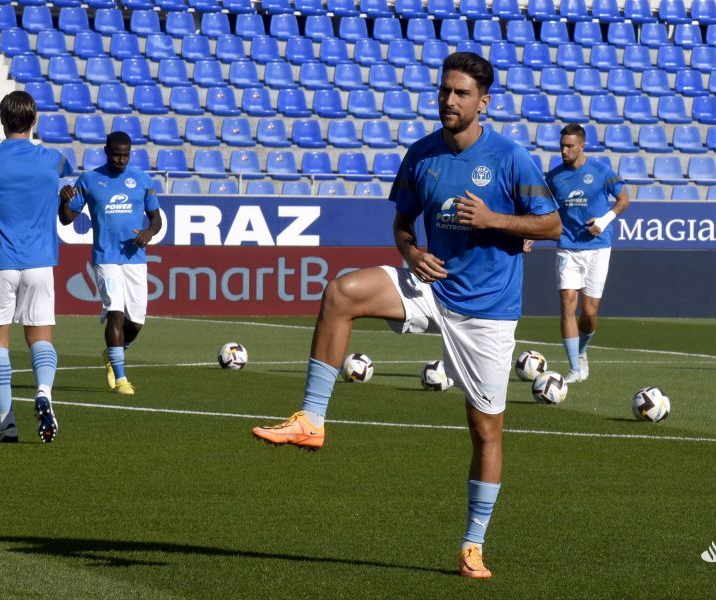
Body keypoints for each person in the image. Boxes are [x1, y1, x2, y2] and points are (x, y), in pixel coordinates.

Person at [251, 52, 561, 579]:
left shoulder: (510, 158)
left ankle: (472, 544)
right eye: (445, 90)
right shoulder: (422, 155)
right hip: (428, 285)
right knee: (341, 293)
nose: (449, 100)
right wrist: (411, 253)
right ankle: (311, 419)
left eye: (461, 93)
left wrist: (493, 220)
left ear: (483, 102)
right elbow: (401, 223)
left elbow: (552, 225)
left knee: (485, 432)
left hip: (486, 311)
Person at [0, 91, 74, 443]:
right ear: (34, 121)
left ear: (2, 121)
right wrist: (65, 203)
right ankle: (44, 394)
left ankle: (7, 422)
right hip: (40, 263)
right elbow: (68, 216)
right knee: (40, 336)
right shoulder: (55, 161)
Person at [59, 132, 161, 395]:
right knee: (115, 311)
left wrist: (149, 233)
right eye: (117, 154)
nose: (121, 159)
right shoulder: (90, 179)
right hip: (105, 256)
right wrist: (63, 201)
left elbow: (156, 218)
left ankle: (111, 354)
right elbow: (66, 219)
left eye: (126, 155)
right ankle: (121, 378)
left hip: (135, 258)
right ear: (106, 151)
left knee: (136, 322)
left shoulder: (141, 180)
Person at [544, 123, 630, 384]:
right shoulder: (553, 177)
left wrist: (604, 220)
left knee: (589, 313)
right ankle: (573, 368)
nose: (564, 151)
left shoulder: (602, 172)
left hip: (598, 249)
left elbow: (624, 199)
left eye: (569, 146)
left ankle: (582, 351)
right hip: (567, 247)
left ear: (582, 146)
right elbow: (544, 209)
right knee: (567, 304)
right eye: (561, 146)